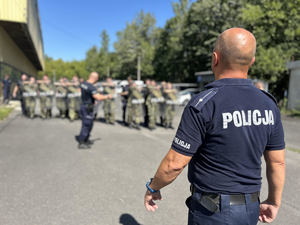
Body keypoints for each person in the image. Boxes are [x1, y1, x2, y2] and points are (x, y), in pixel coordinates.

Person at [144, 28, 285, 225]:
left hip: (213, 212)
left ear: (214, 58)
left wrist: (153, 187)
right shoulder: (268, 104)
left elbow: (175, 163)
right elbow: (277, 162)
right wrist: (274, 201)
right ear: (251, 61)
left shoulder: (204, 103)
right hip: (250, 208)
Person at [75, 72, 111, 149]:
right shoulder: (91, 87)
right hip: (87, 108)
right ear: (95, 78)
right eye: (97, 79)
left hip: (84, 105)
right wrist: (107, 96)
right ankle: (82, 142)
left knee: (89, 124)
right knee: (87, 125)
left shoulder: (83, 83)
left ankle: (85, 139)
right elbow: (98, 97)